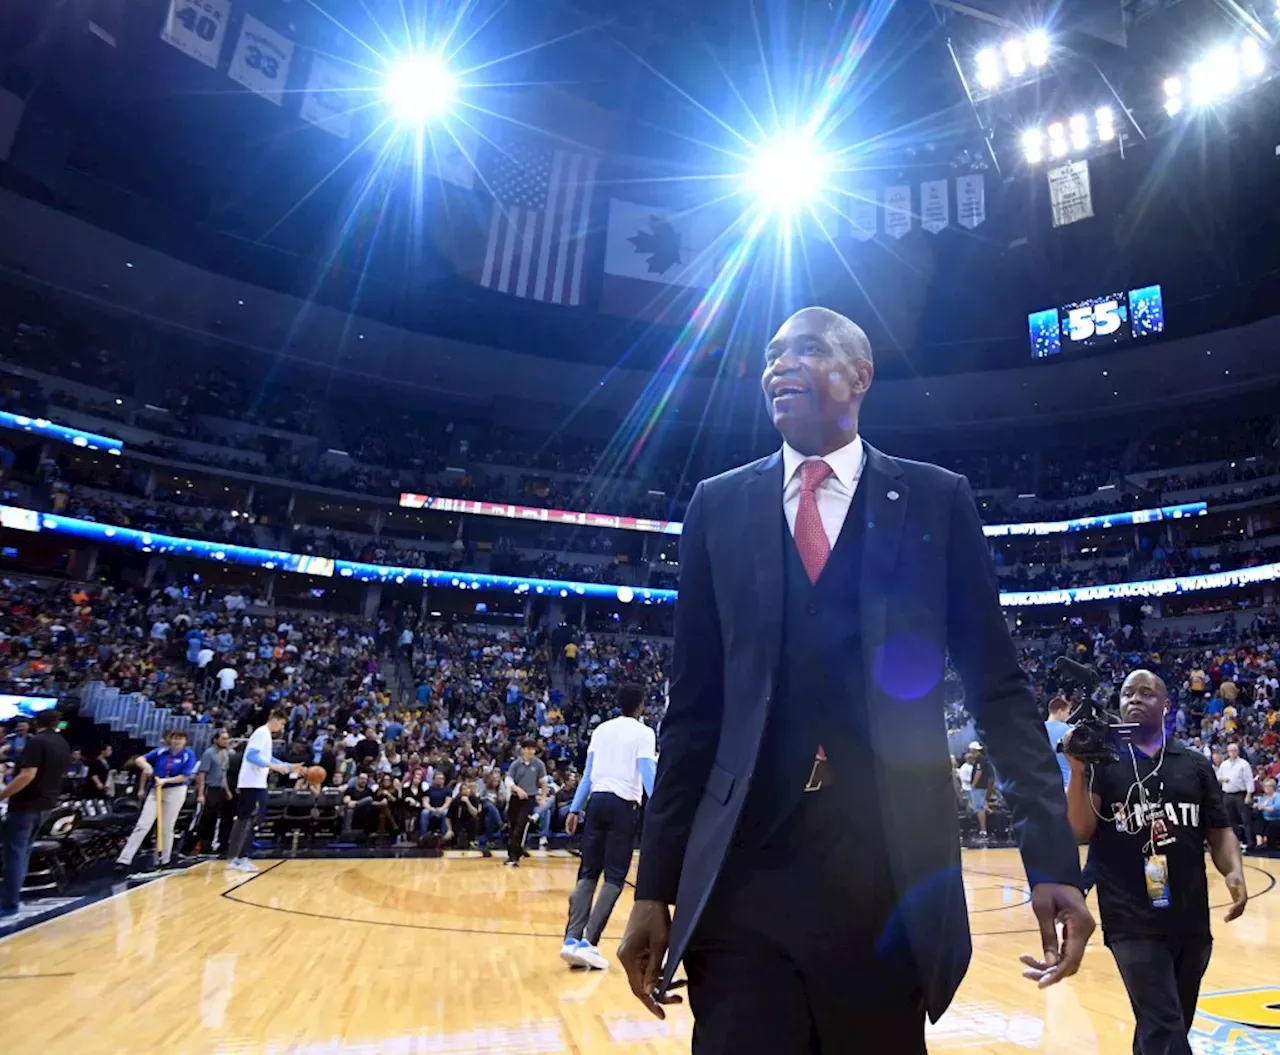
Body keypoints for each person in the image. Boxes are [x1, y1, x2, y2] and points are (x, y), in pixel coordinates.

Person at [618, 306, 1092, 1050]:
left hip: (888, 885)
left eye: (805, 350)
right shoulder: (718, 505)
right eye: (773, 355)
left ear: (860, 375)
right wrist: (655, 886)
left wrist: (1052, 858)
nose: (780, 365)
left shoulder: (937, 499)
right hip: (743, 885)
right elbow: (692, 715)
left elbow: (999, 688)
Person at [1064, 669, 1247, 1055]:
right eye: (1128, 693)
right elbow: (1080, 830)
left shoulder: (1195, 764)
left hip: (1190, 916)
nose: (1134, 699)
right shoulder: (1104, 764)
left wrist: (1233, 870)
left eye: (1146, 693)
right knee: (1165, 1025)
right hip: (1130, 916)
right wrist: (1078, 772)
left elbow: (1219, 829)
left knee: (1167, 1022)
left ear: (1166, 706)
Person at [560, 683, 656, 971]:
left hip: (596, 803)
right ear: (640, 706)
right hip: (623, 805)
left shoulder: (601, 730)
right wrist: (662, 809)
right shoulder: (644, 733)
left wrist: (575, 808)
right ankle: (589, 943)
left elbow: (588, 775)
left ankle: (571, 939)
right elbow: (648, 773)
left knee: (588, 871)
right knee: (614, 876)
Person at [0, 709, 70, 917]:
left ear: (35, 723)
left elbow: (27, 775)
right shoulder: (63, 743)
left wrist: (2, 795)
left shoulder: (37, 742)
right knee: (23, 852)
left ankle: (9, 904)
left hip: (26, 804)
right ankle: (14, 899)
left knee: (14, 854)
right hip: (47, 804)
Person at [223, 709, 301, 873]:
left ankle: (236, 857)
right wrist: (274, 766)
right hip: (252, 784)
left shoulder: (264, 734)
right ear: (274, 719)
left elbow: (266, 758)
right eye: (281, 723)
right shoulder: (262, 733)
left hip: (256, 783)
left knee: (249, 819)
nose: (281, 728)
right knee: (249, 820)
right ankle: (239, 857)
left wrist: (286, 766)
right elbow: (252, 756)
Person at [115, 729, 198, 873]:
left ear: (185, 741)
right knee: (143, 825)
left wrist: (166, 780)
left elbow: (185, 776)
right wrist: (147, 766)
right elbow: (139, 759)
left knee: (167, 826)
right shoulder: (160, 752)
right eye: (175, 738)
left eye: (180, 739)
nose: (177, 741)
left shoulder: (188, 755)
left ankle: (164, 860)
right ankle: (124, 860)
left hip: (175, 791)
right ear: (170, 740)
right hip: (155, 791)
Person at [504, 739, 547, 867]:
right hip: (515, 798)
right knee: (512, 827)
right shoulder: (516, 764)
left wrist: (543, 798)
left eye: (532, 749)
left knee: (520, 826)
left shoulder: (539, 765)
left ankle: (514, 857)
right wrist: (517, 789)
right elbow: (508, 780)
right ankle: (513, 852)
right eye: (528, 748)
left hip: (529, 799)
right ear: (523, 750)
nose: (530, 751)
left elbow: (543, 783)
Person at [194, 729, 234, 857]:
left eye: (227, 738)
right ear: (216, 740)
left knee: (217, 816)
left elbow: (223, 774)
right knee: (207, 817)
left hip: (220, 789)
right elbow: (201, 773)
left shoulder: (225, 754)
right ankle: (203, 844)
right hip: (209, 788)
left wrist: (227, 790)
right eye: (223, 738)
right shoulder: (209, 753)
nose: (226, 741)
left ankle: (213, 843)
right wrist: (200, 794)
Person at [1216, 741, 1255, 851]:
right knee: (1230, 820)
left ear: (1238, 752)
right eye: (1230, 751)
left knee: (1245, 819)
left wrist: (1249, 794)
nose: (1232, 753)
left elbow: (1249, 780)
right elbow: (1218, 776)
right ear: (1227, 752)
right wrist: (1222, 779)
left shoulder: (1244, 764)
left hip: (1240, 794)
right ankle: (1236, 842)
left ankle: (1250, 843)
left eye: (1234, 750)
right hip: (1227, 794)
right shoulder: (1224, 764)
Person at [1044, 695, 1073, 789]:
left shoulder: (1038, 730)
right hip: (1066, 782)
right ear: (1060, 711)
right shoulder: (1069, 730)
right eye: (1068, 713)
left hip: (1045, 783)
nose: (1068, 716)